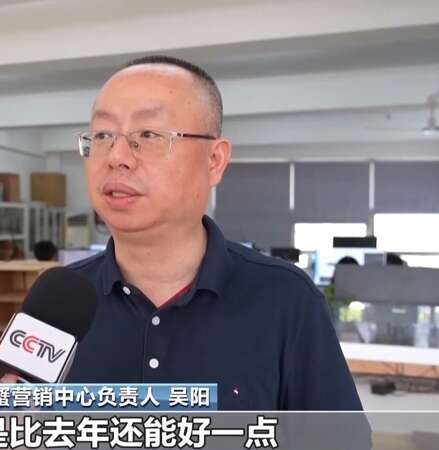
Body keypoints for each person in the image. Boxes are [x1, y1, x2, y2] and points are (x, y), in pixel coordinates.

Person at [65, 55, 364, 411]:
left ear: (214, 160)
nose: (117, 156)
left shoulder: (286, 300)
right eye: (102, 135)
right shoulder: (58, 302)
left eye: (148, 134)